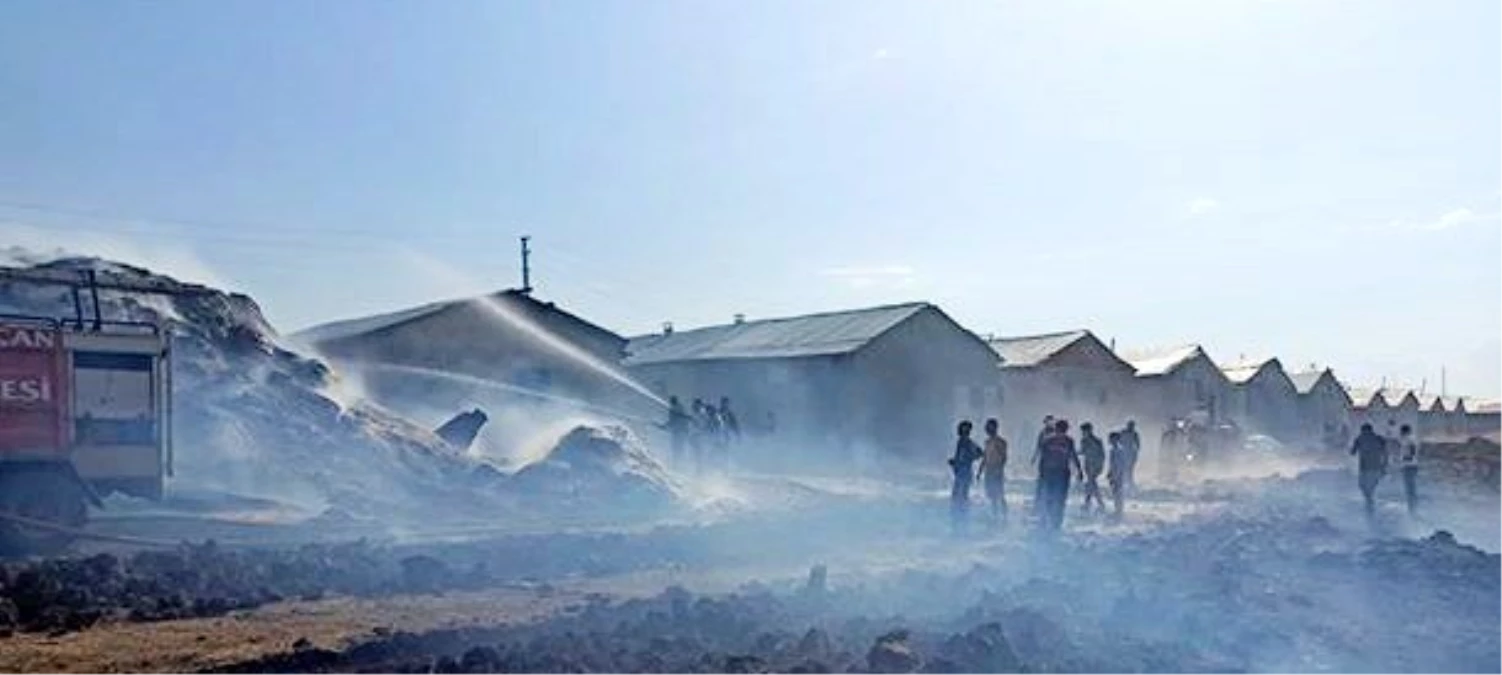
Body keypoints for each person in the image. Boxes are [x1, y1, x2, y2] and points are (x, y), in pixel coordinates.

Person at [1037, 419, 1083, 531]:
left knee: (1054, 498)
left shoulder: (1052, 440)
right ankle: (1055, 522)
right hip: (1057, 473)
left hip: (1056, 473)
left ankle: (1054, 522)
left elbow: (1043, 458)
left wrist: (1079, 470)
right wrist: (1079, 470)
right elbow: (1073, 457)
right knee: (1057, 499)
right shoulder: (1054, 441)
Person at [948, 420, 985, 533]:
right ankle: (959, 522)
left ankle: (961, 523)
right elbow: (962, 457)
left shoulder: (968, 442)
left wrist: (968, 460)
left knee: (961, 497)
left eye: (967, 429)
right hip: (960, 473)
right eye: (963, 429)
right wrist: (955, 462)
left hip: (964, 474)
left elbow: (980, 453)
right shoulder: (961, 442)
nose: (964, 431)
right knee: (958, 497)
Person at [1350, 423, 1389, 517]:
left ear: (1363, 430)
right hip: (1376, 468)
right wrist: (1384, 467)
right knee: (1370, 488)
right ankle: (1370, 508)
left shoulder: (1359, 438)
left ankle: (1370, 508)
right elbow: (1386, 454)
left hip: (1365, 468)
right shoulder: (1379, 438)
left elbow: (1352, 452)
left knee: (1364, 487)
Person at [978, 418, 1009, 524]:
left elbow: (1004, 457)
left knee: (1000, 494)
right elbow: (985, 458)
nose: (987, 429)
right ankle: (995, 515)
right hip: (989, 471)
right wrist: (980, 471)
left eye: (989, 427)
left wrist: (999, 469)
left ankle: (1004, 516)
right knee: (992, 495)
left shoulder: (1001, 442)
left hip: (996, 471)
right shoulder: (987, 442)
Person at [1031, 415, 1055, 516]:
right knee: (1041, 483)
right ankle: (1038, 506)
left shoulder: (1055, 433)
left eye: (1050, 421)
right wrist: (1035, 457)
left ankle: (1048, 506)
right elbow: (1038, 446)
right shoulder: (1043, 433)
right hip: (1044, 461)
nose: (1048, 423)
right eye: (1047, 422)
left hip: (1052, 462)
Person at [1079, 423, 1105, 513]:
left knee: (1091, 484)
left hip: (1095, 466)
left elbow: (1102, 455)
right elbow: (1083, 451)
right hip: (1088, 465)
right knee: (1091, 485)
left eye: (1084, 431)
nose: (1083, 433)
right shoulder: (1084, 441)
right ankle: (1092, 503)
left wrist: (1100, 466)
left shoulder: (1097, 441)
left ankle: (1096, 503)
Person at [1397, 424, 1420, 514]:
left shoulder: (1409, 439)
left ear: (1404, 431)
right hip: (1409, 465)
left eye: (1401, 431)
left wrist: (1408, 457)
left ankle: (1412, 507)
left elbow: (1412, 449)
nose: (1400, 433)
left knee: (1410, 486)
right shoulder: (1409, 438)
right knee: (1410, 486)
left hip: (1409, 465)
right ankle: (1412, 506)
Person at [664, 396, 692, 466]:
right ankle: (677, 463)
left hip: (680, 432)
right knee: (677, 448)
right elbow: (673, 420)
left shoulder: (677, 408)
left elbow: (675, 420)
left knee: (678, 448)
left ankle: (679, 464)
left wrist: (666, 425)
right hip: (678, 431)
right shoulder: (678, 408)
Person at [1107, 431, 1127, 518]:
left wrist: (1115, 476)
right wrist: (1110, 472)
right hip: (1116, 474)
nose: (1110, 440)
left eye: (1111, 438)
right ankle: (1118, 510)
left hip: (1118, 475)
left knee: (1117, 493)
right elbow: (1112, 464)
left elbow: (1119, 465)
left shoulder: (1118, 450)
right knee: (1116, 493)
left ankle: (1118, 511)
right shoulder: (1115, 450)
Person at [1119, 420, 1141, 493]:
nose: (1131, 427)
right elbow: (1119, 441)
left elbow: (1138, 445)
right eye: (1130, 425)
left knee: (1129, 470)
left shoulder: (1134, 434)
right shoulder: (1123, 432)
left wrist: (1134, 455)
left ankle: (1130, 484)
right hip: (1124, 452)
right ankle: (1124, 483)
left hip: (1130, 453)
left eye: (1132, 426)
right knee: (1123, 469)